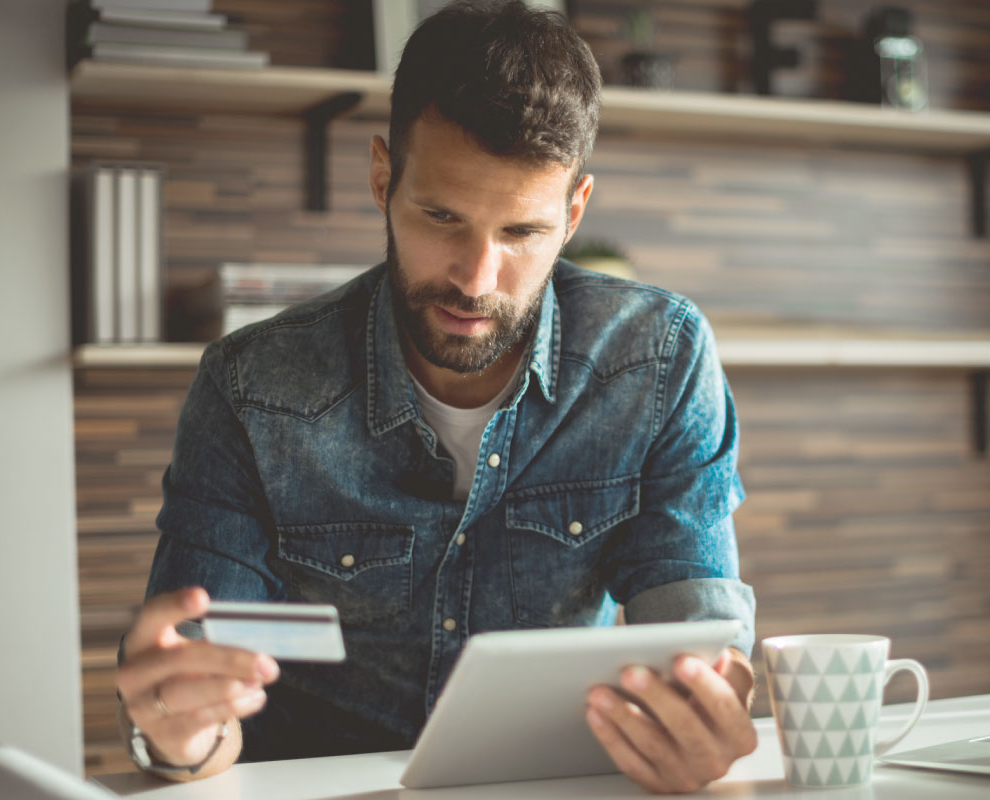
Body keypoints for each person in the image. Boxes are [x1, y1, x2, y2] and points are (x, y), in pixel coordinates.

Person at [113, 0, 756, 793]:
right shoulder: (252, 389)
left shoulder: (659, 360)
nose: (476, 280)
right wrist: (178, 737)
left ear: (574, 212)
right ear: (384, 178)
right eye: (441, 216)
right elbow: (196, 708)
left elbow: (696, 646)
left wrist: (703, 721)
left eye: (521, 232)